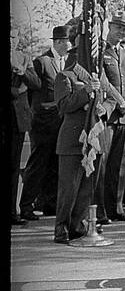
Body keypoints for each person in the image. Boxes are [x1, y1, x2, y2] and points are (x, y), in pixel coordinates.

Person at [18, 25, 72, 221]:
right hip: (42, 123)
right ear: (58, 42)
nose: (70, 45)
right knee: (37, 163)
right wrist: (40, 111)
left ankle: (49, 203)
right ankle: (26, 206)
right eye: (67, 41)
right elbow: (32, 90)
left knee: (55, 164)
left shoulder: (67, 63)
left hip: (61, 122)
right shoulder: (42, 62)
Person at [53, 57, 110, 244]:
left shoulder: (97, 77)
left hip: (94, 139)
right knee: (69, 188)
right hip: (73, 140)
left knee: (88, 188)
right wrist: (86, 92)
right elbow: (64, 105)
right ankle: (62, 230)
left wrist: (102, 109)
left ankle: (78, 226)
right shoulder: (65, 76)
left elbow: (109, 99)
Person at [98, 12, 125, 223]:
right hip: (108, 116)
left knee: (120, 166)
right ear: (109, 27)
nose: (121, 32)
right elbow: (103, 81)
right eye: (118, 28)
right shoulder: (99, 52)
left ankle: (117, 207)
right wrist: (120, 101)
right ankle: (100, 211)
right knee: (103, 166)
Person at [10, 52, 40, 222]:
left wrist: (23, 73)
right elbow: (20, 91)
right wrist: (16, 91)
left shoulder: (24, 58)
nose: (12, 39)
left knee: (15, 167)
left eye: (15, 36)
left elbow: (36, 83)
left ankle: (13, 213)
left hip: (18, 120)